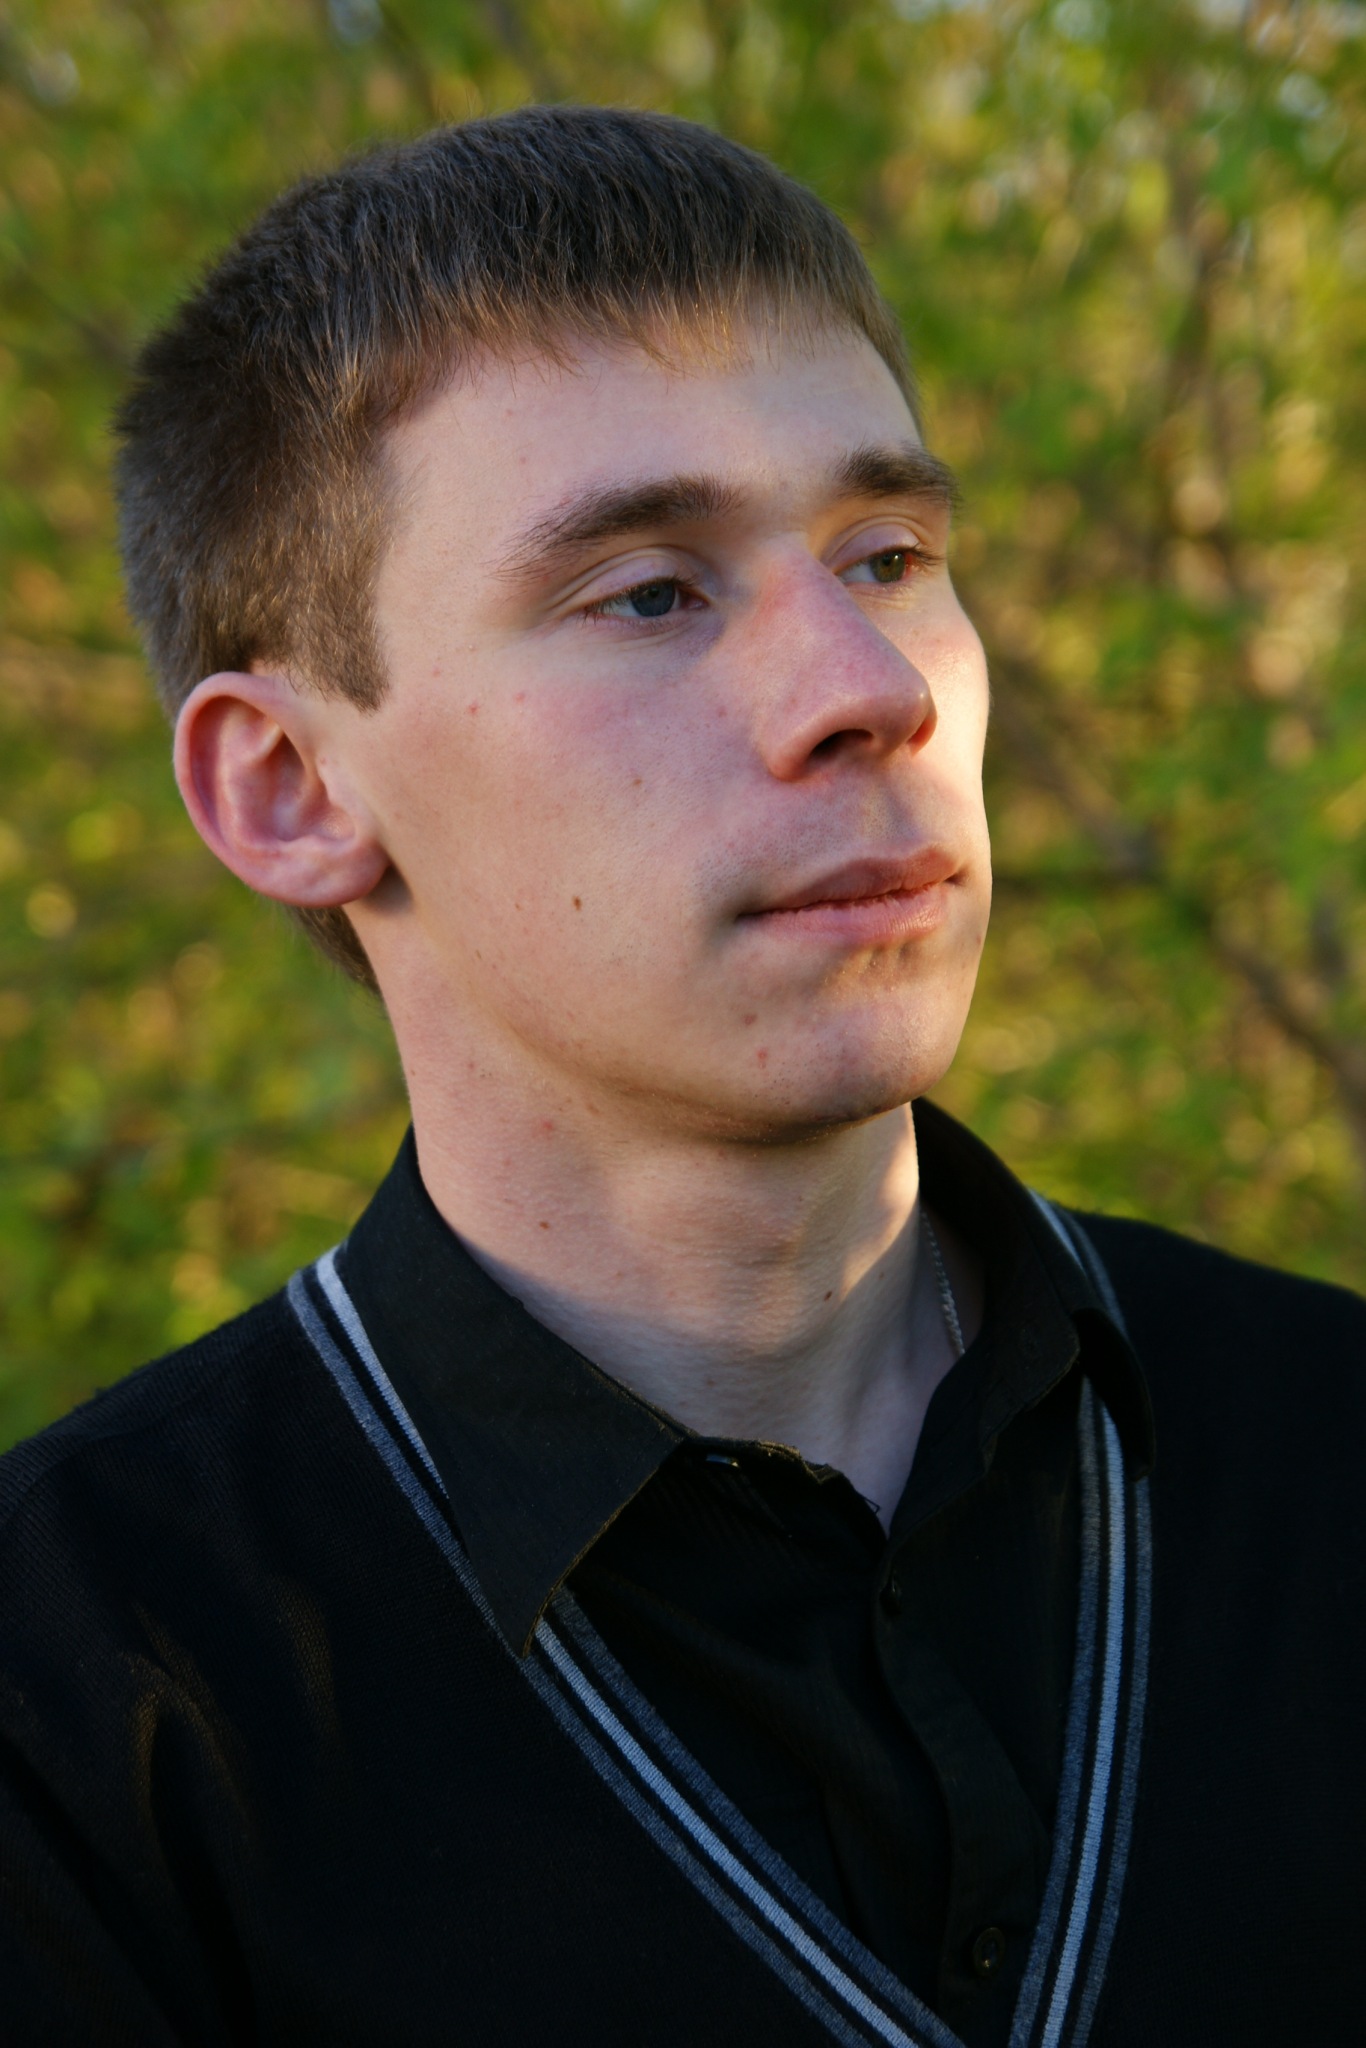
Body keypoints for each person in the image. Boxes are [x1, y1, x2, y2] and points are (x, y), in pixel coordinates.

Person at [1, 105, 1362, 2048]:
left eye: (887, 556)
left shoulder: (1324, 1448)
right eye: (649, 591)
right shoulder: (83, 1700)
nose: (867, 688)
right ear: (292, 790)